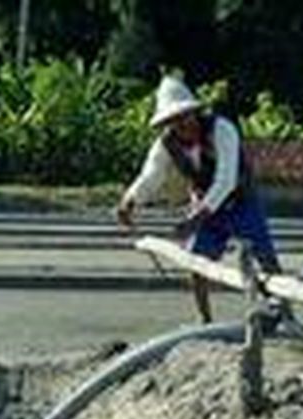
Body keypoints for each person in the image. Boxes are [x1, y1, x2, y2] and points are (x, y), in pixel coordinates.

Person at [115, 75, 288, 325]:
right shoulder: (167, 144)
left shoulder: (222, 130)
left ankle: (282, 310)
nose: (181, 125)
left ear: (194, 113)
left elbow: (226, 179)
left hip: (241, 202)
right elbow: (151, 177)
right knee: (196, 262)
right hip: (207, 208)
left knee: (266, 258)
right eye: (174, 122)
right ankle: (204, 319)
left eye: (184, 117)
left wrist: (197, 217)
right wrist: (129, 201)